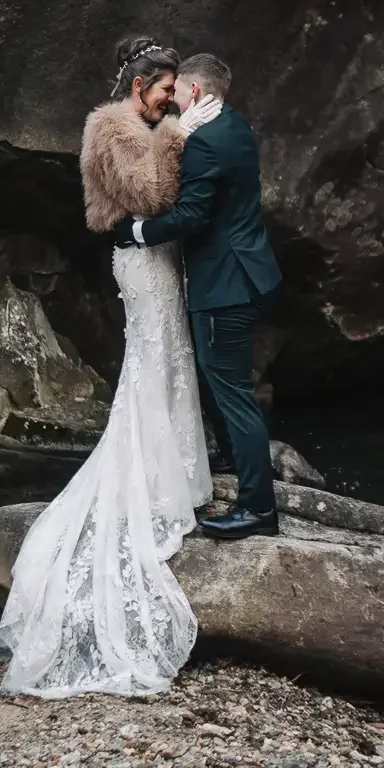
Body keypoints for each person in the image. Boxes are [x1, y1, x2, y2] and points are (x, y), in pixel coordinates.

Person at [0, 38, 213, 698]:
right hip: (140, 263)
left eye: (175, 89)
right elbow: (150, 195)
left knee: (173, 357)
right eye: (165, 88)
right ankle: (145, 473)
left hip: (160, 258)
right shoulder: (110, 129)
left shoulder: (141, 124)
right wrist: (180, 135)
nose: (171, 97)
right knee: (151, 360)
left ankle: (174, 465)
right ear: (140, 85)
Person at [120, 52, 285, 539]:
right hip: (249, 274)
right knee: (224, 386)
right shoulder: (235, 126)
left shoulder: (206, 142)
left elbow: (192, 215)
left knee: (234, 395)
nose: (172, 104)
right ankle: (237, 468)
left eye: (178, 94)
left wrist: (139, 231)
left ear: (195, 92)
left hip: (225, 287)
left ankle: (258, 509)